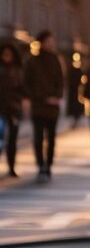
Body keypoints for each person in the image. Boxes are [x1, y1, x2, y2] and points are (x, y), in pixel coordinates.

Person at [24, 31, 65, 183]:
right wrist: (42, 97)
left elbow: (61, 81)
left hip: (53, 107)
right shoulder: (32, 61)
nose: (51, 43)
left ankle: (49, 165)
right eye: (49, 40)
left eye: (52, 40)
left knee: (52, 137)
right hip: (39, 106)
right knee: (38, 137)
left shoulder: (55, 60)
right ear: (42, 42)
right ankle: (41, 165)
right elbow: (27, 84)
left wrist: (57, 96)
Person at [0, 43, 25, 178]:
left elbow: (22, 89)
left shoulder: (18, 70)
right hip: (1, 109)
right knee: (1, 138)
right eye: (5, 54)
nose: (7, 57)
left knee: (12, 140)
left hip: (14, 109)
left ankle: (11, 166)